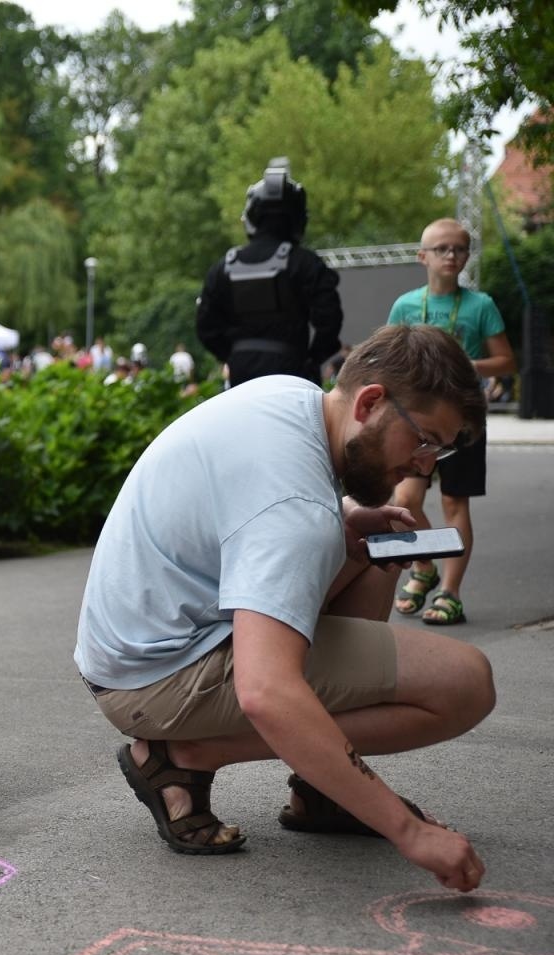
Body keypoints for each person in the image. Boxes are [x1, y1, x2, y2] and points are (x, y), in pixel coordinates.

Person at [75, 324, 493, 892]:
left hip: (140, 648)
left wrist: (340, 524)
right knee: (464, 683)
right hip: (159, 681)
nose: (424, 467)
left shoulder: (293, 399)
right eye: (424, 441)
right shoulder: (294, 508)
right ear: (371, 402)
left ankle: (320, 788)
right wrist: (405, 831)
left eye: (437, 451)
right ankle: (185, 753)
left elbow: (259, 509)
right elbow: (266, 691)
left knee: (368, 560)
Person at [387, 219, 518, 626]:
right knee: (404, 500)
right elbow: (391, 360)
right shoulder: (406, 305)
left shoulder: (481, 306)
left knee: (452, 502)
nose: (451, 256)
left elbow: (508, 362)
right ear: (421, 256)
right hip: (415, 421)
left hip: (463, 419)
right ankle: (424, 566)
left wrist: (464, 363)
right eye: (441, 249)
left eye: (459, 249)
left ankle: (450, 591)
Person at [196, 158, 342, 388]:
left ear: (252, 215)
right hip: (293, 374)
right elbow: (330, 320)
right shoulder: (306, 264)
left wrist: (234, 355)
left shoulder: (223, 267)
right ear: (297, 217)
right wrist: (311, 359)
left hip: (241, 376)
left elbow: (205, 326)